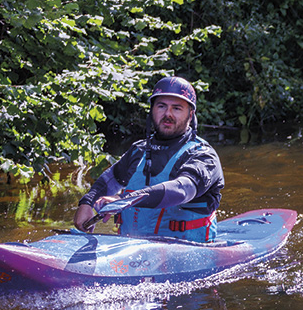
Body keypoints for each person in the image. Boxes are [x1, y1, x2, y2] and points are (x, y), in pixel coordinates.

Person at [73, 76, 225, 242]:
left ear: (190, 114)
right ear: (152, 110)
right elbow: (110, 179)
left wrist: (125, 200)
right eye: (161, 106)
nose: (168, 114)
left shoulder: (203, 155)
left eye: (177, 108)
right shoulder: (139, 150)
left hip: (188, 251)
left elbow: (182, 190)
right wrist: (87, 203)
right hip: (132, 251)